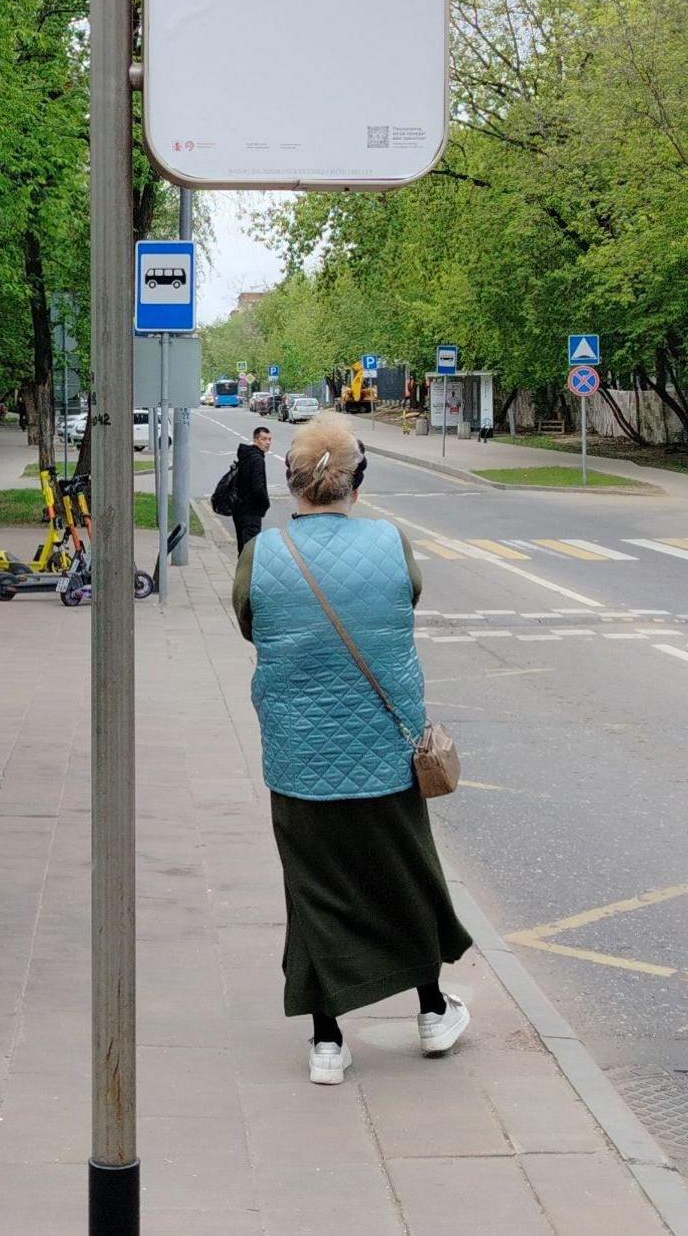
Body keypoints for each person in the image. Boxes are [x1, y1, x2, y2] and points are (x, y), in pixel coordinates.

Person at [233, 414, 470, 1086]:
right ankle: (432, 1013)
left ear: (291, 485)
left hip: (299, 758)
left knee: (315, 891)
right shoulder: (391, 542)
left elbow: (251, 624)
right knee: (405, 875)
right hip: (388, 752)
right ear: (355, 483)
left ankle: (328, 1043)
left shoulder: (262, 554)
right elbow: (407, 601)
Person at [226, 425, 274, 550]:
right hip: (251, 511)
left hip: (239, 509)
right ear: (256, 440)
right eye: (264, 439)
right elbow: (258, 487)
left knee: (242, 548)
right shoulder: (257, 459)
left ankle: (241, 563)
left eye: (269, 439)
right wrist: (265, 504)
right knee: (250, 550)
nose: (268, 443)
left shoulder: (246, 455)